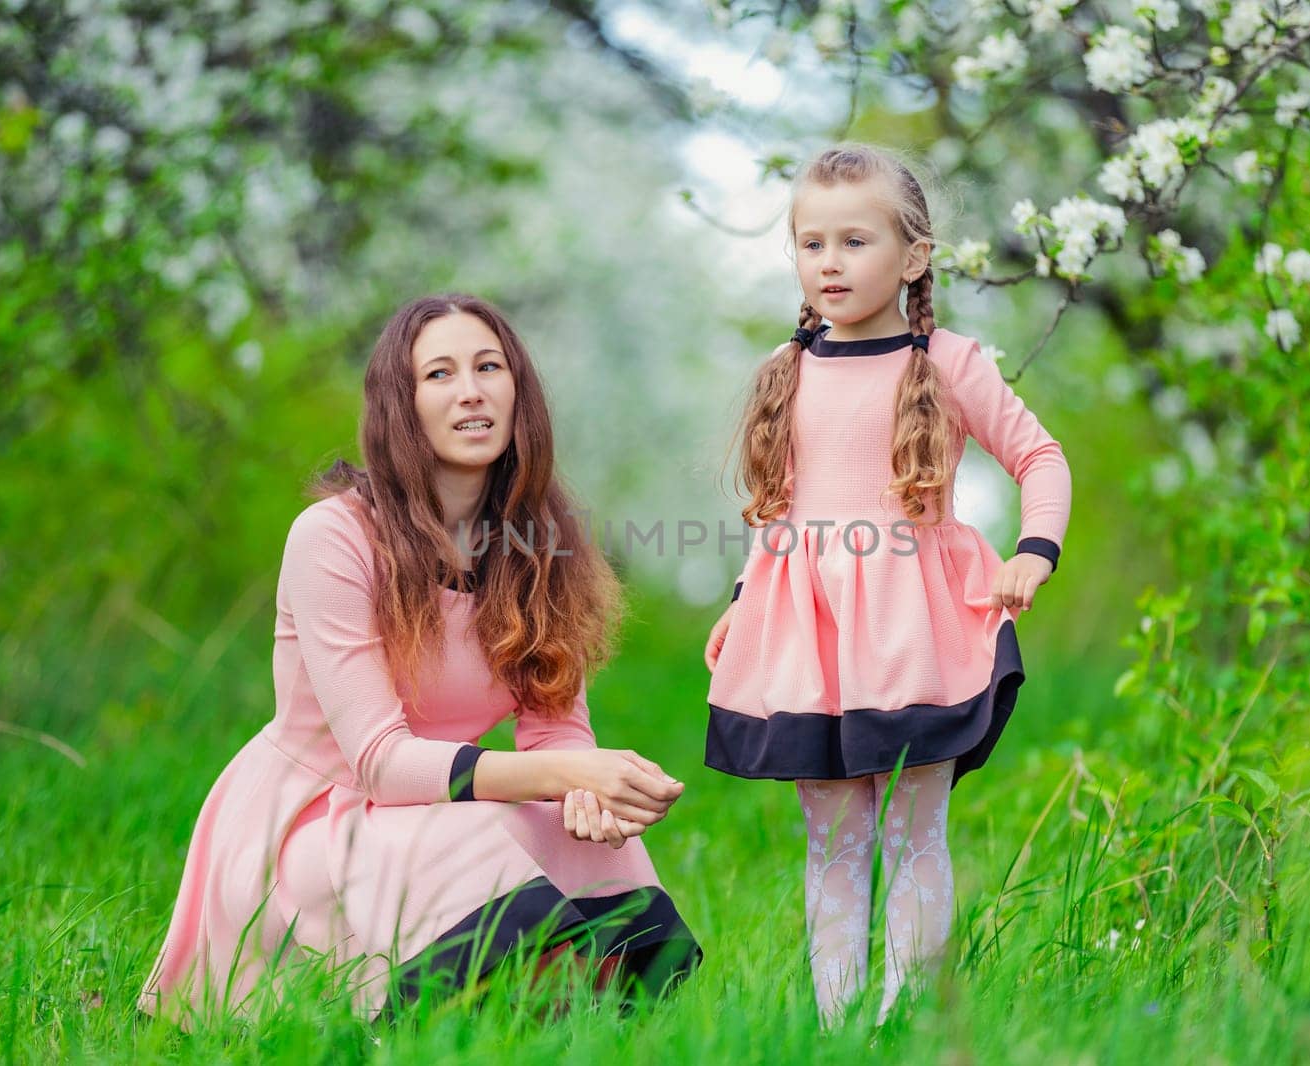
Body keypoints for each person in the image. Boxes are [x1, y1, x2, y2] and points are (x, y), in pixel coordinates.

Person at [140, 293, 700, 1026]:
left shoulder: (543, 542)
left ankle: (568, 1030)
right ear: (400, 407)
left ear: (518, 392)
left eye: (489, 366)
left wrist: (587, 796)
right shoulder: (333, 539)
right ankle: (452, 1019)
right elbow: (378, 763)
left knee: (592, 846)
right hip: (316, 820)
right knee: (467, 835)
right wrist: (567, 775)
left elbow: (556, 730)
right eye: (439, 374)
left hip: (432, 803)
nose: (470, 389)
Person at [701, 144, 1071, 1024]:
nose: (830, 262)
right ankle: (837, 1024)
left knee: (913, 833)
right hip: (810, 639)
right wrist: (742, 605)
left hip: (914, 632)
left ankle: (900, 1020)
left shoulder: (947, 362)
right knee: (831, 838)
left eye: (855, 241)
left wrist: (1035, 550)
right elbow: (778, 517)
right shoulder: (784, 374)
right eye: (811, 243)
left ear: (912, 257)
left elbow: (1040, 455)